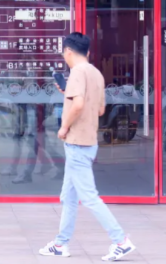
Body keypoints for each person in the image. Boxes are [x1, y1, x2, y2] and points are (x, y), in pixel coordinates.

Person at [39, 32, 136, 261]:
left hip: (77, 143)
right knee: (69, 197)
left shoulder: (77, 72)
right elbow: (100, 110)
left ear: (68, 51)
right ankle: (60, 243)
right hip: (88, 141)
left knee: (89, 197)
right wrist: (69, 94)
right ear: (88, 52)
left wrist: (64, 127)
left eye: (64, 53)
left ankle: (120, 241)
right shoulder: (96, 74)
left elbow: (78, 105)